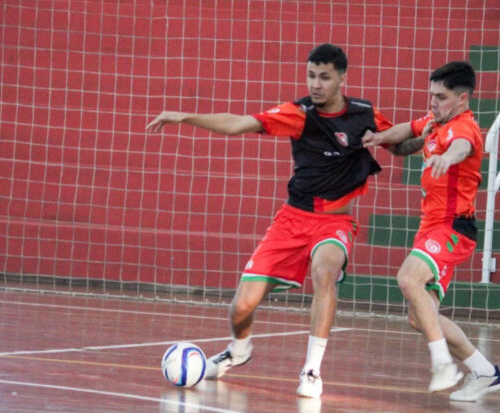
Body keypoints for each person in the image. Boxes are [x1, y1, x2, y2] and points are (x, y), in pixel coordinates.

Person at [147, 43, 393, 399]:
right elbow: (237, 124)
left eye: (324, 77)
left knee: (325, 275)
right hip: (291, 220)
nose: (316, 84)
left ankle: (311, 371)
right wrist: (184, 117)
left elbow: (398, 142)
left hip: (334, 223)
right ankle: (239, 350)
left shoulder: (363, 114)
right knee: (241, 307)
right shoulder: (298, 113)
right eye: (311, 76)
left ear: (342, 78)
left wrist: (418, 136)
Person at [362, 61, 500, 402]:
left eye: (440, 97)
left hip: (453, 227)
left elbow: (462, 146)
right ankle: (486, 372)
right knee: (419, 316)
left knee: (408, 279)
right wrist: (377, 138)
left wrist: (448, 159)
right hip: (431, 228)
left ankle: (443, 365)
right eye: (431, 96)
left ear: (463, 99)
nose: (432, 103)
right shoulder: (435, 122)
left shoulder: (463, 128)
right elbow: (407, 130)